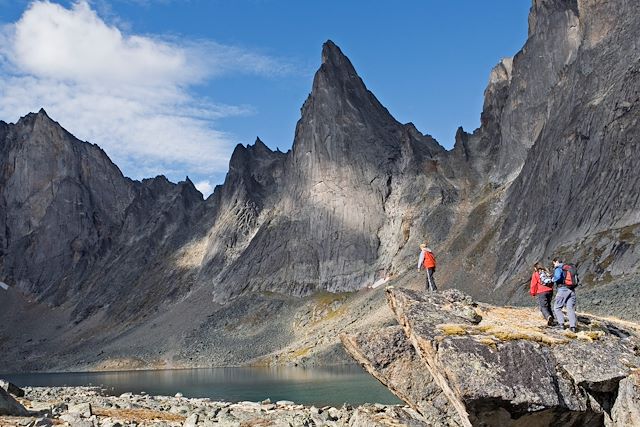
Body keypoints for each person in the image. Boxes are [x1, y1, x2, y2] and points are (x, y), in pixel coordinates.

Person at [552, 258, 577, 332]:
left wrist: (552, 279)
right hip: (572, 290)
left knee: (557, 307)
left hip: (563, 289)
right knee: (570, 308)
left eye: (554, 263)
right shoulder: (569, 267)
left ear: (556, 262)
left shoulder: (558, 268)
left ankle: (561, 325)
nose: (554, 265)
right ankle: (573, 327)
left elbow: (558, 277)